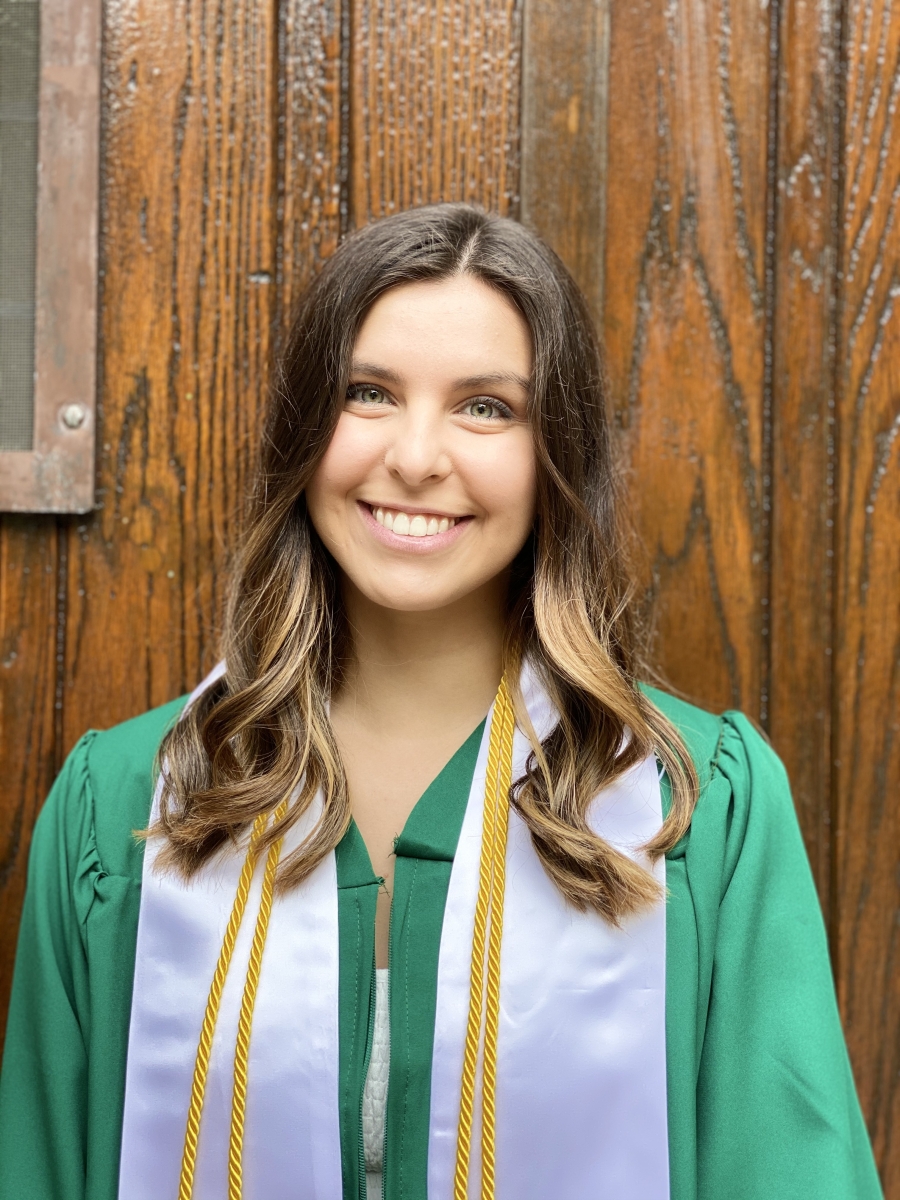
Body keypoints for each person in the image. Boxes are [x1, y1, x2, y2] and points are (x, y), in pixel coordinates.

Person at [0, 204, 883, 1200]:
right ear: (305, 430)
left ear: (559, 453)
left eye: (486, 407)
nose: (417, 457)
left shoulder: (695, 808)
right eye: (368, 393)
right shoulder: (126, 805)